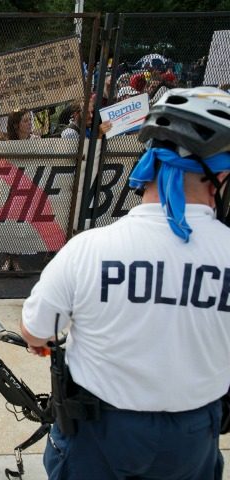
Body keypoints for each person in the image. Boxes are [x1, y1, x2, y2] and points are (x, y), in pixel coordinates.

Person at [20, 87, 230, 480]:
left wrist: (43, 342)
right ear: (218, 176)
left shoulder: (89, 248)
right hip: (192, 434)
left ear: (149, 165)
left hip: (99, 432)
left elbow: (35, 331)